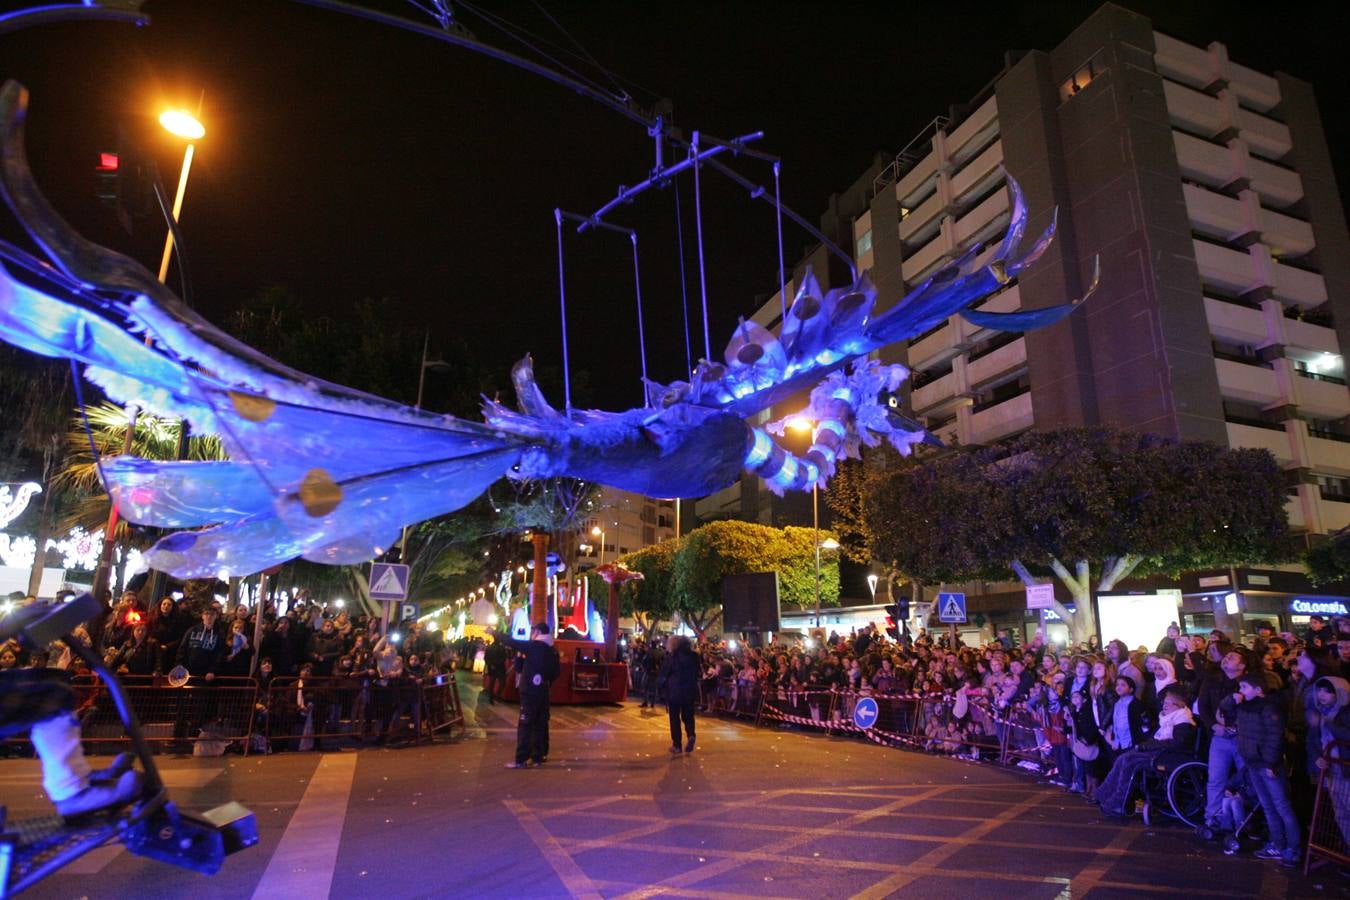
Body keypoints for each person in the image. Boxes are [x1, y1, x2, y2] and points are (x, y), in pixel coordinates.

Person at [1234, 673, 1301, 867]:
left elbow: (1275, 736)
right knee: (1268, 806)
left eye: (1244, 687)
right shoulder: (1245, 707)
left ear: (1258, 690)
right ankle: (1278, 844)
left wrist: (1270, 763)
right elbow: (1226, 710)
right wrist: (1232, 700)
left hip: (1267, 764)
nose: (1240, 691)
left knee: (1282, 806)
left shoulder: (1269, 708)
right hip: (1253, 762)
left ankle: (1293, 848)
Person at [501, 622, 560, 769]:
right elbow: (555, 673)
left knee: (526, 724)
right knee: (540, 724)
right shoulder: (552, 650)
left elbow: (512, 643)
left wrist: (495, 633)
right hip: (543, 691)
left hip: (529, 691)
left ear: (538, 632)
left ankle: (521, 759)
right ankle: (537, 757)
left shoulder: (533, 646)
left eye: (533, 630)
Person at [659, 635, 701, 754]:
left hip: (675, 691)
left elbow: (664, 673)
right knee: (688, 715)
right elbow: (697, 672)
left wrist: (660, 686)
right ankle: (691, 734)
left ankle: (677, 745)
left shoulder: (672, 657)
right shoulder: (694, 657)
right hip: (690, 690)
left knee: (674, 718)